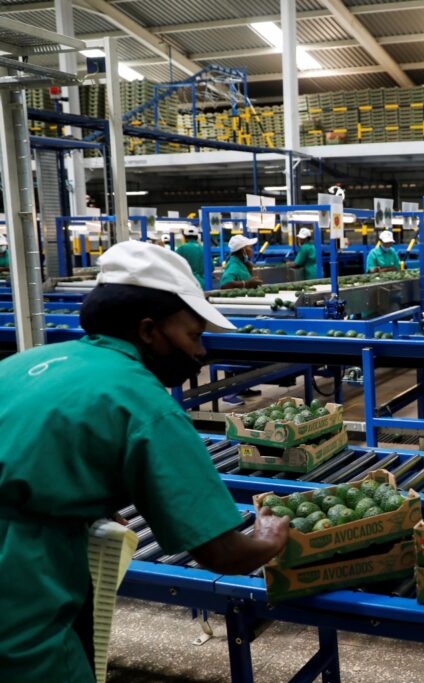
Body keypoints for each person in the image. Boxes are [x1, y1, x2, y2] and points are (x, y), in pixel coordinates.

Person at [0, 241, 289, 682]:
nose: (200, 353)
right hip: (18, 580)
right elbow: (224, 553)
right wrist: (267, 538)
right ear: (150, 330)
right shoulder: (142, 401)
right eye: (193, 335)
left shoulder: (27, 362)